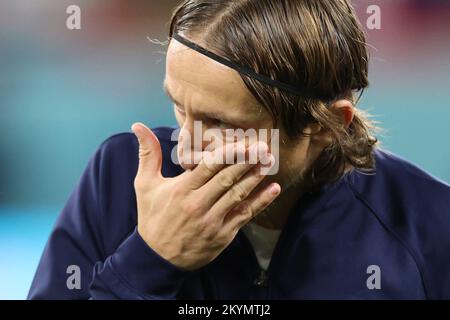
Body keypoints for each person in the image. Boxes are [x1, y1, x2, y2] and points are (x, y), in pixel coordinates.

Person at [29, 0, 450, 299]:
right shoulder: (119, 178)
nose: (187, 152)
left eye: (221, 124)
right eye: (179, 107)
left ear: (325, 126)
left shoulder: (429, 224)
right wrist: (150, 259)